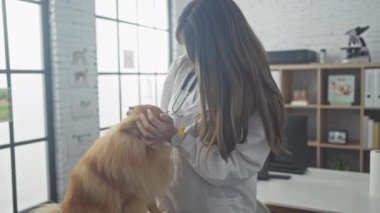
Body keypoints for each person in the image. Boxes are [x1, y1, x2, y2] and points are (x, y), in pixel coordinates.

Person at [128, 0, 284, 212]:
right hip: (174, 202)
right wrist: (151, 125)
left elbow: (227, 170)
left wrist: (177, 137)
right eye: (188, 49)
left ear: (219, 47)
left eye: (195, 50)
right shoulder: (183, 68)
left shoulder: (257, 97)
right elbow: (172, 125)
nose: (190, 58)